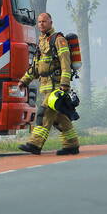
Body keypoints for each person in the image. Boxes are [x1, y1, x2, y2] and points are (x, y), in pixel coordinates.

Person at [18, 12, 80, 155]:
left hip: (56, 86)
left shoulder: (58, 39)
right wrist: (24, 81)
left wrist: (65, 84)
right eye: (39, 22)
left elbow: (66, 62)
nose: (41, 24)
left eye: (44, 21)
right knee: (60, 117)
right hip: (46, 86)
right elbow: (36, 67)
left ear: (51, 22)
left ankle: (35, 144)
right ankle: (72, 145)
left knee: (43, 113)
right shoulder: (41, 41)